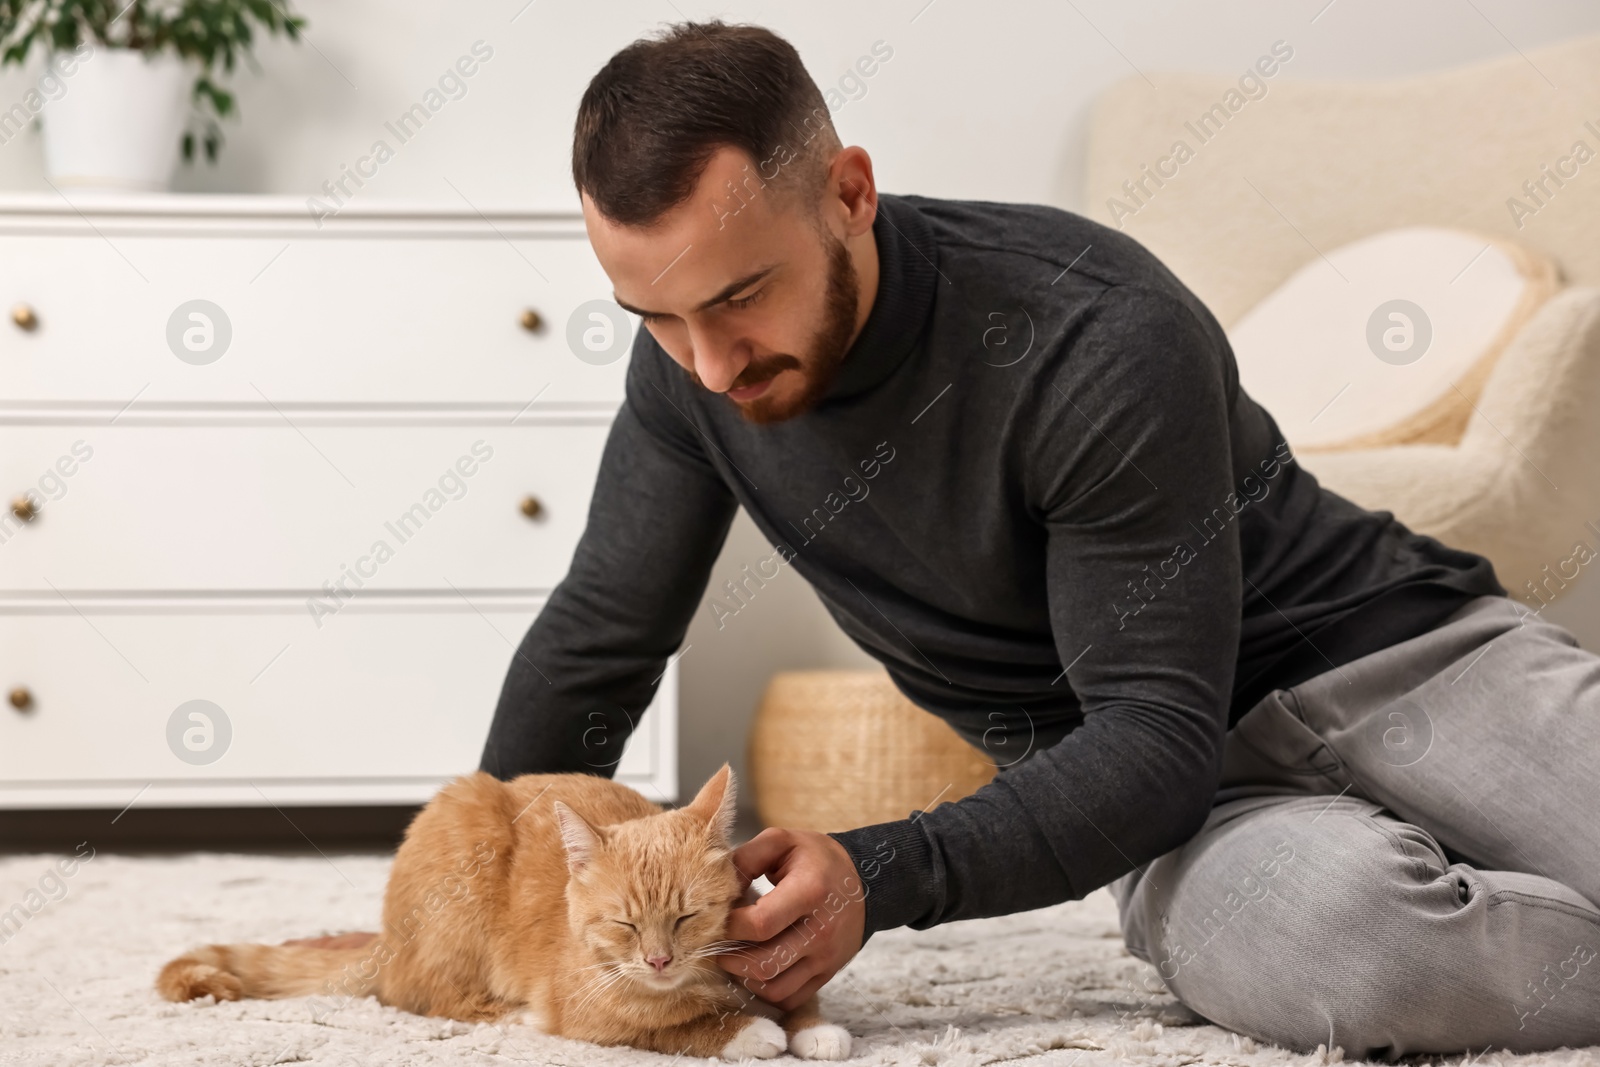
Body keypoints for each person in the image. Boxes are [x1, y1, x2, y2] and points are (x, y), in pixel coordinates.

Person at [319, 20, 1600, 1058]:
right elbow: (600, 637)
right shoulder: (691, 380)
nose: (707, 364)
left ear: (849, 191)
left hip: (1398, 659)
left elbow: (1155, 724)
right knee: (1353, 947)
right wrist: (481, 880)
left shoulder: (1091, 327)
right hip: (1166, 812)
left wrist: (884, 866)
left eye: (739, 295)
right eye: (653, 316)